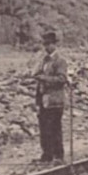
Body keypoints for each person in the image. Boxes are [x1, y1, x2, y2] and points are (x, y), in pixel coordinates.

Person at [31, 29, 69, 163]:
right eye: (44, 45)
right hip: (43, 99)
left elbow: (62, 79)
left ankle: (58, 155)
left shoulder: (60, 61)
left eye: (48, 45)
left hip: (55, 100)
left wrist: (45, 78)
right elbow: (35, 73)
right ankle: (47, 155)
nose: (46, 47)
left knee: (54, 128)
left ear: (54, 44)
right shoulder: (43, 60)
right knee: (44, 128)